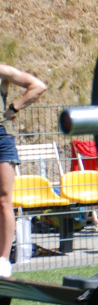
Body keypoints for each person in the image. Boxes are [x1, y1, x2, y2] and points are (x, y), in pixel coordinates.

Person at [0, 64, 48, 278]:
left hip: (1, 137)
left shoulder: (2, 70)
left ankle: (3, 260)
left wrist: (13, 108)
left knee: (3, 199)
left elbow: (38, 86)